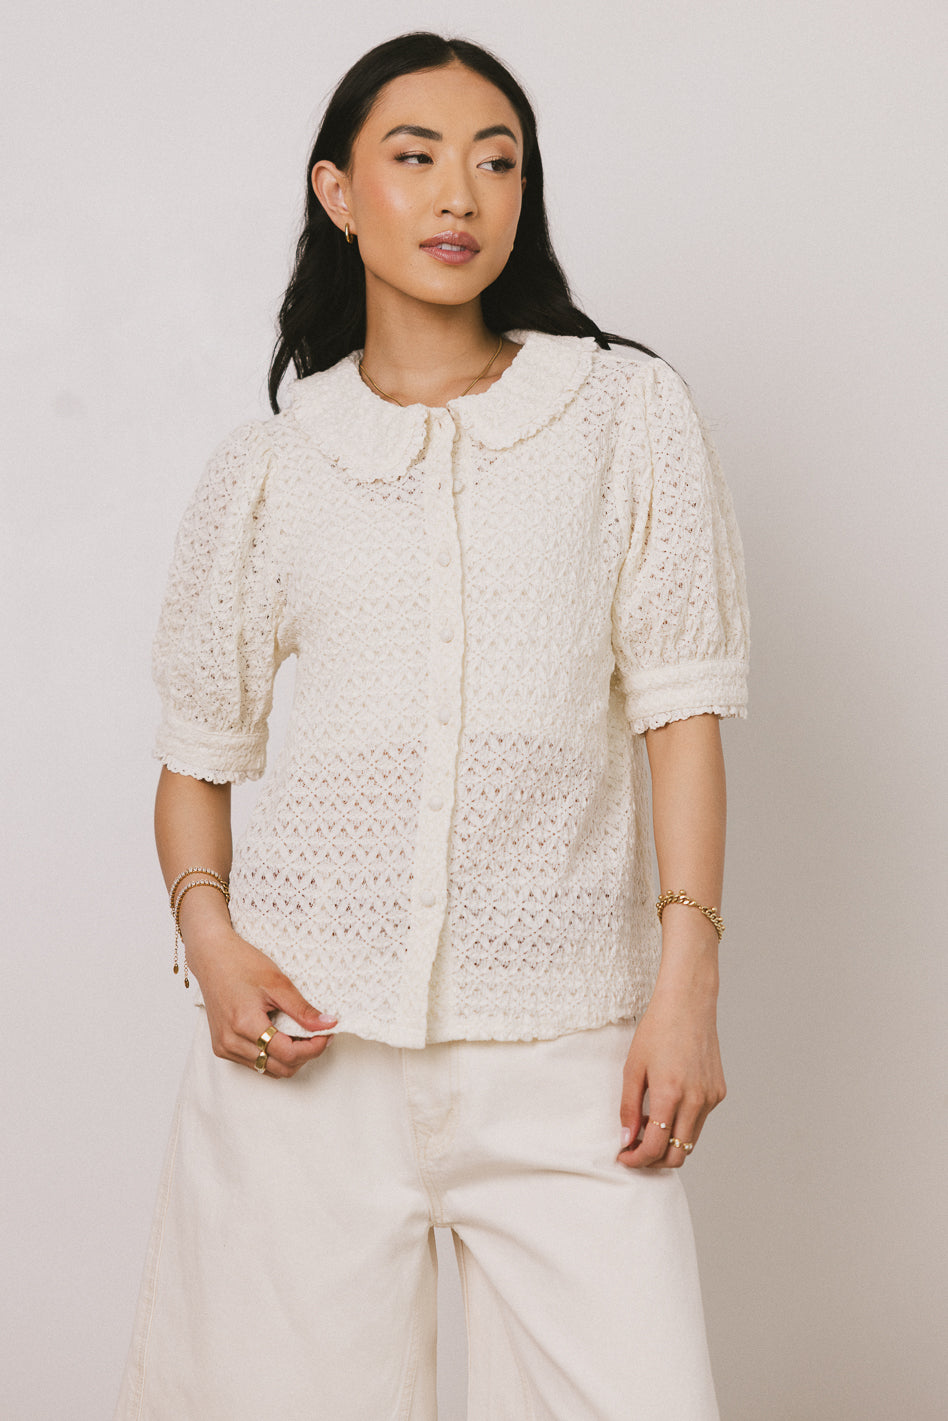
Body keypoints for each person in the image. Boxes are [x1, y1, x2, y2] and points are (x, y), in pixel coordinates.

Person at [115, 30, 749, 1421]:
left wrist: (686, 983)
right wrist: (212, 946)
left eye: (497, 161)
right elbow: (197, 758)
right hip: (307, 1057)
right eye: (417, 157)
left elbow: (683, 712)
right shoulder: (273, 466)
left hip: (570, 1051)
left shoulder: (624, 413)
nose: (461, 193)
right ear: (339, 193)